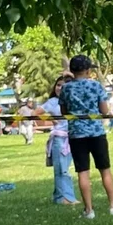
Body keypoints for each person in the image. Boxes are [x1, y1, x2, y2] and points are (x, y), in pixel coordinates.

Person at [59, 55, 113, 219]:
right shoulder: (96, 85)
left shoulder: (66, 88)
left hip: (76, 134)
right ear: (88, 70)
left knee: (83, 172)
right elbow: (103, 110)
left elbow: (64, 112)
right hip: (96, 132)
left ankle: (89, 210)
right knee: (105, 170)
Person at [34, 74, 78, 205]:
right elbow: (35, 114)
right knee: (62, 170)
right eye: (58, 85)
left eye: (64, 85)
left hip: (72, 137)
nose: (60, 88)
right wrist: (50, 120)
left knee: (65, 169)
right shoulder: (53, 102)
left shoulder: (73, 99)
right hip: (59, 138)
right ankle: (65, 198)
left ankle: (62, 196)